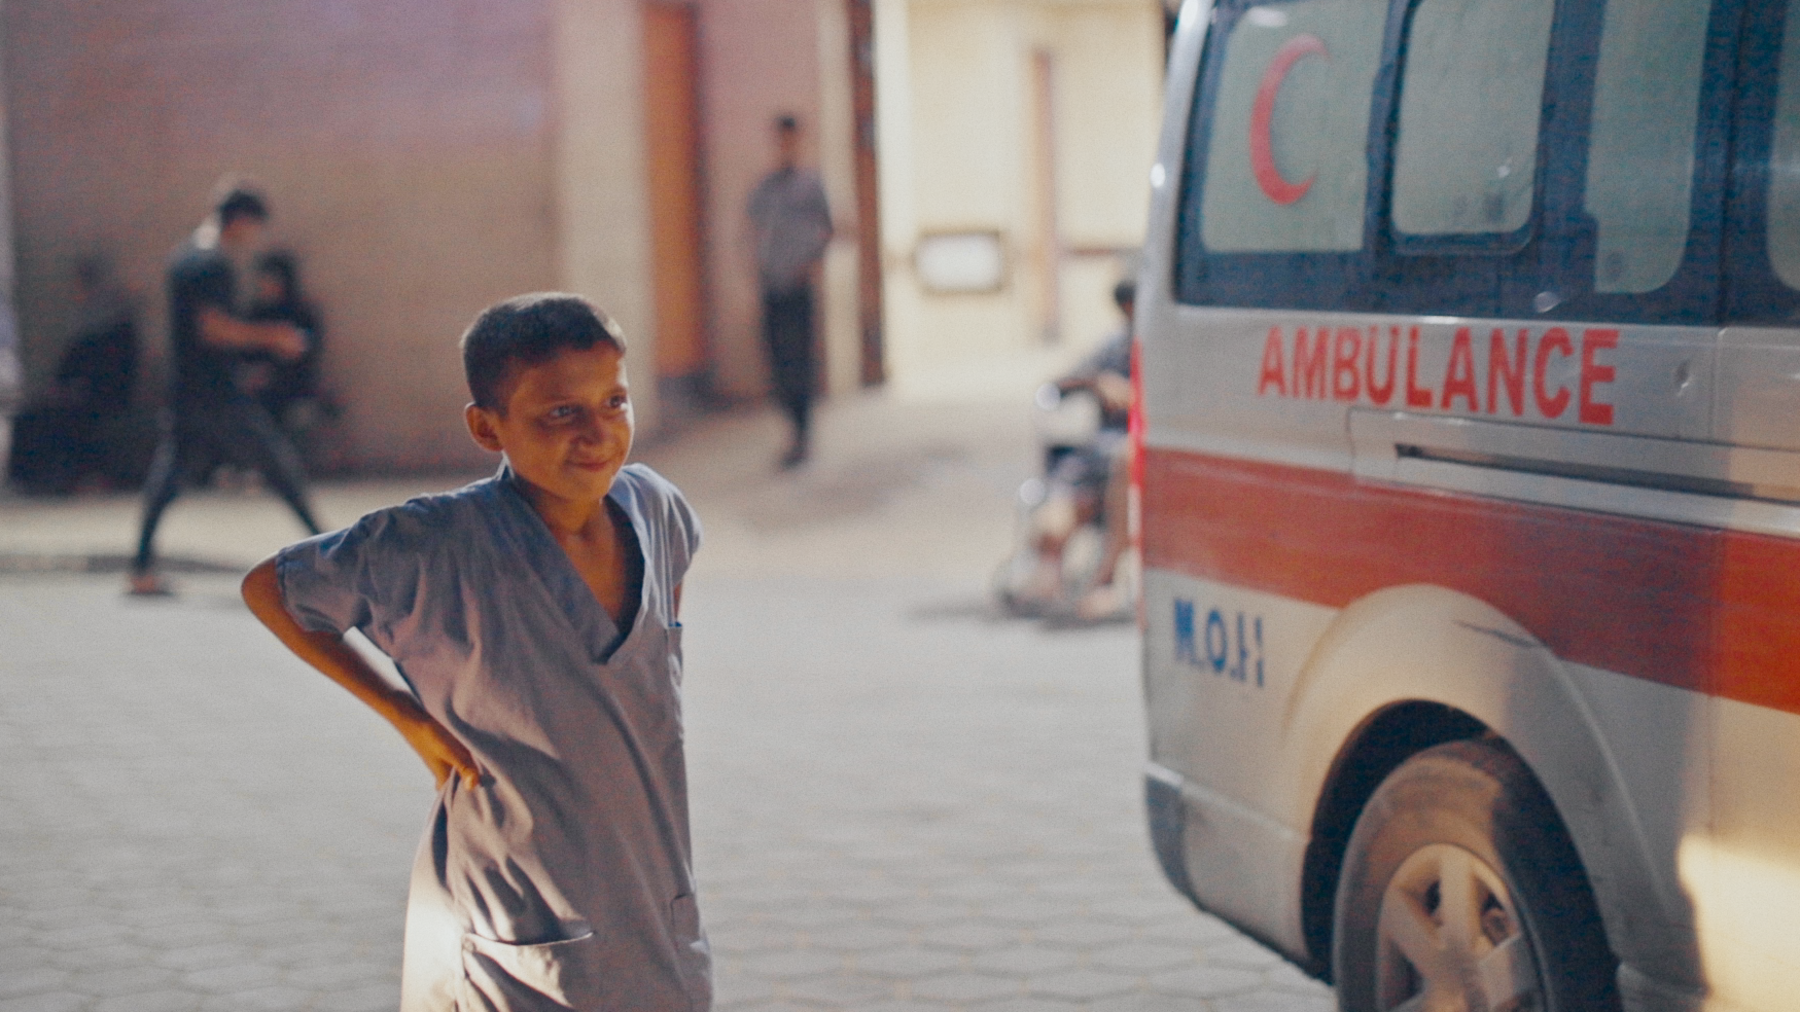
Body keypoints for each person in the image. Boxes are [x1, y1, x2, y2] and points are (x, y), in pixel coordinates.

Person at [240, 294, 710, 1011]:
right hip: (515, 922)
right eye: (560, 413)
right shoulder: (436, 543)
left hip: (654, 901)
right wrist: (404, 713)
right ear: (487, 428)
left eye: (614, 401)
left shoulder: (656, 508)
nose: (597, 434)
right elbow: (273, 588)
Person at [129, 184, 322, 595]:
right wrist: (274, 337)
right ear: (241, 221)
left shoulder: (183, 257)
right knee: (278, 466)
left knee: (167, 479)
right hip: (215, 393)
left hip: (187, 390)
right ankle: (332, 557)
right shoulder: (212, 265)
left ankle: (140, 567)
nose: (254, 237)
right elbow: (212, 328)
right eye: (254, 227)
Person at [1020, 279, 1136, 620]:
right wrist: (1096, 382)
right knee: (1055, 517)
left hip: (1133, 453)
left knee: (1126, 461)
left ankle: (1105, 580)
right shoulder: (1115, 346)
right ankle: (1048, 574)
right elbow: (1062, 381)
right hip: (1096, 455)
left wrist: (1133, 397)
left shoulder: (1168, 350)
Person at [6, 256, 140, 494]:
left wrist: (74, 388)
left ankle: (62, 477)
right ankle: (29, 479)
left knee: (58, 419)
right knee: (28, 416)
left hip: (103, 396)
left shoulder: (112, 325)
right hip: (80, 393)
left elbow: (106, 370)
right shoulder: (87, 320)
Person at [746, 113, 832, 468]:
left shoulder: (811, 186)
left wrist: (811, 265)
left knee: (801, 361)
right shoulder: (766, 187)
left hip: (799, 285)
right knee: (778, 359)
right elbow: (753, 227)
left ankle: (802, 434)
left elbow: (827, 229)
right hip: (773, 285)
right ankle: (790, 429)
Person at [243, 249, 325, 430]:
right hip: (257, 392)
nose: (266, 286)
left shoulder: (302, 315)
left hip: (292, 391)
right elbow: (244, 351)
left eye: (273, 281)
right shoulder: (256, 314)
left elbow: (305, 352)